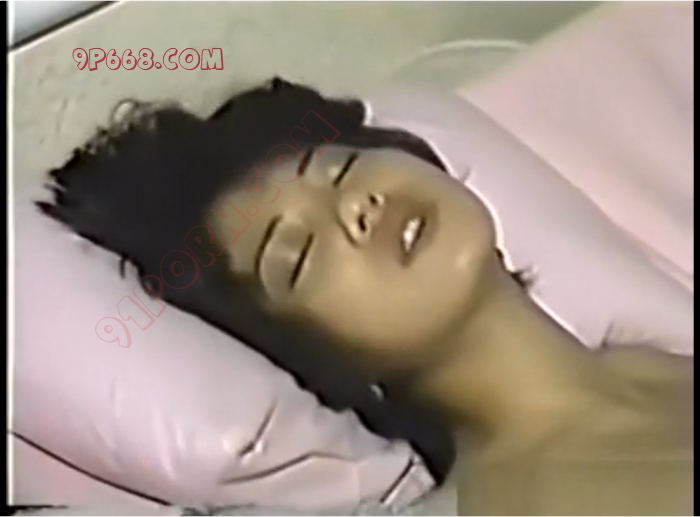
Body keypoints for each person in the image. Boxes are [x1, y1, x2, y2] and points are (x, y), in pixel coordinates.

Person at [38, 78, 693, 515]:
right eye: (297, 253)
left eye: (341, 169)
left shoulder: (654, 355)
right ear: (312, 358)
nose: (356, 208)